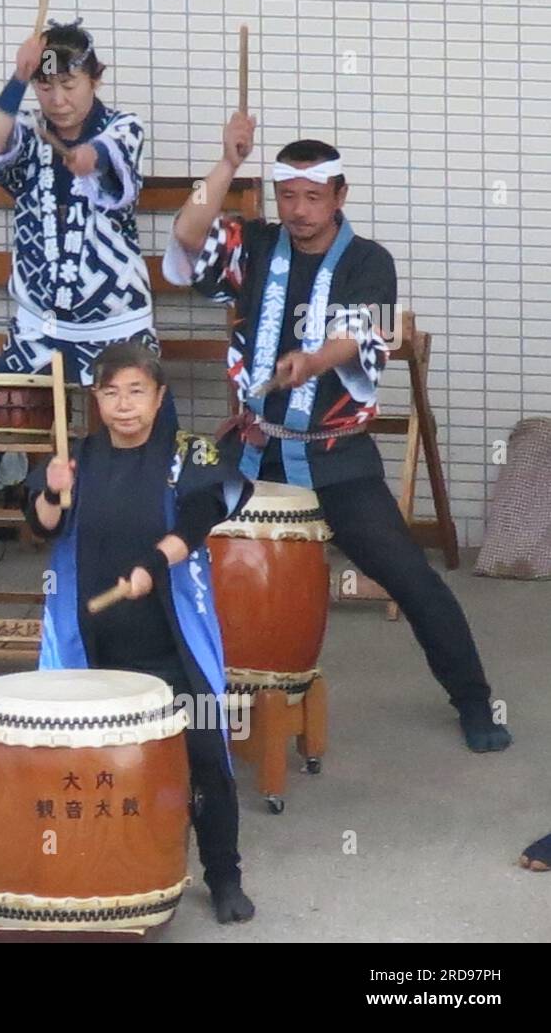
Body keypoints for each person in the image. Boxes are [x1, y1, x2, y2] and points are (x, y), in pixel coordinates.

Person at [162, 111, 511, 753]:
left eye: (313, 197)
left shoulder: (371, 261)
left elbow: (361, 336)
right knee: (174, 533)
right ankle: (174, 694)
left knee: (410, 576)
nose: (298, 210)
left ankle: (473, 700)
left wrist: (313, 361)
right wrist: (228, 162)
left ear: (340, 196)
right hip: (254, 442)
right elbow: (186, 238)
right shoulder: (257, 244)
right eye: (288, 196)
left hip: (335, 454)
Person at [0, 19, 157, 575]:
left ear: (96, 79)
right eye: (47, 87)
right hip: (39, 323)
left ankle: (149, 533)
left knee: (145, 423)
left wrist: (85, 158)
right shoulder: (27, 136)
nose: (59, 99)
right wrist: (17, 81)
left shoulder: (124, 129)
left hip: (117, 326)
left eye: (70, 85)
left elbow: (106, 158)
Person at [24, 342, 255, 924]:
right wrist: (51, 491)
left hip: (170, 643)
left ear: (159, 397)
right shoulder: (76, 459)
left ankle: (224, 874)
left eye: (136, 391)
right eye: (110, 392)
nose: (124, 405)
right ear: (95, 400)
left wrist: (156, 561)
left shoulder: (188, 453)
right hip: (93, 644)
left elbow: (203, 515)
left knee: (205, 753)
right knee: (84, 762)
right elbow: (38, 525)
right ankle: (95, 868)